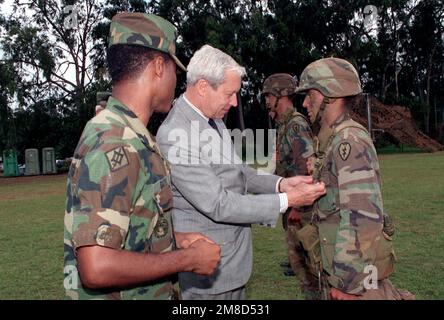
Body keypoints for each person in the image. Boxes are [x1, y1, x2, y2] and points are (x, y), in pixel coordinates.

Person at [64, 12, 221, 300]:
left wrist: (173, 241)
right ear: (159, 67)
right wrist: (188, 260)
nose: (177, 80)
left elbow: (130, 228)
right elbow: (96, 266)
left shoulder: (131, 135)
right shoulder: (115, 141)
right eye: (175, 70)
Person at [156, 44, 326, 300]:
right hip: (208, 273)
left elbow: (239, 172)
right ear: (203, 87)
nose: (234, 102)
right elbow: (218, 203)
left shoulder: (212, 120)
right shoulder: (176, 135)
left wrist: (281, 185)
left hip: (231, 263)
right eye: (229, 93)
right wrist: (287, 201)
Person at [295, 57, 415, 300]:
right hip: (340, 273)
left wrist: (347, 284)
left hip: (355, 284)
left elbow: (362, 217)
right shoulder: (333, 140)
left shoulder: (349, 141)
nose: (306, 103)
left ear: (330, 95)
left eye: (311, 94)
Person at [262, 73, 316, 290]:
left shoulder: (296, 125)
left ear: (280, 95)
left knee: (308, 270)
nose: (266, 100)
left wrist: (296, 206)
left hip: (299, 205)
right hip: (290, 198)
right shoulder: (283, 125)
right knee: (299, 260)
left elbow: (306, 168)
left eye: (268, 95)